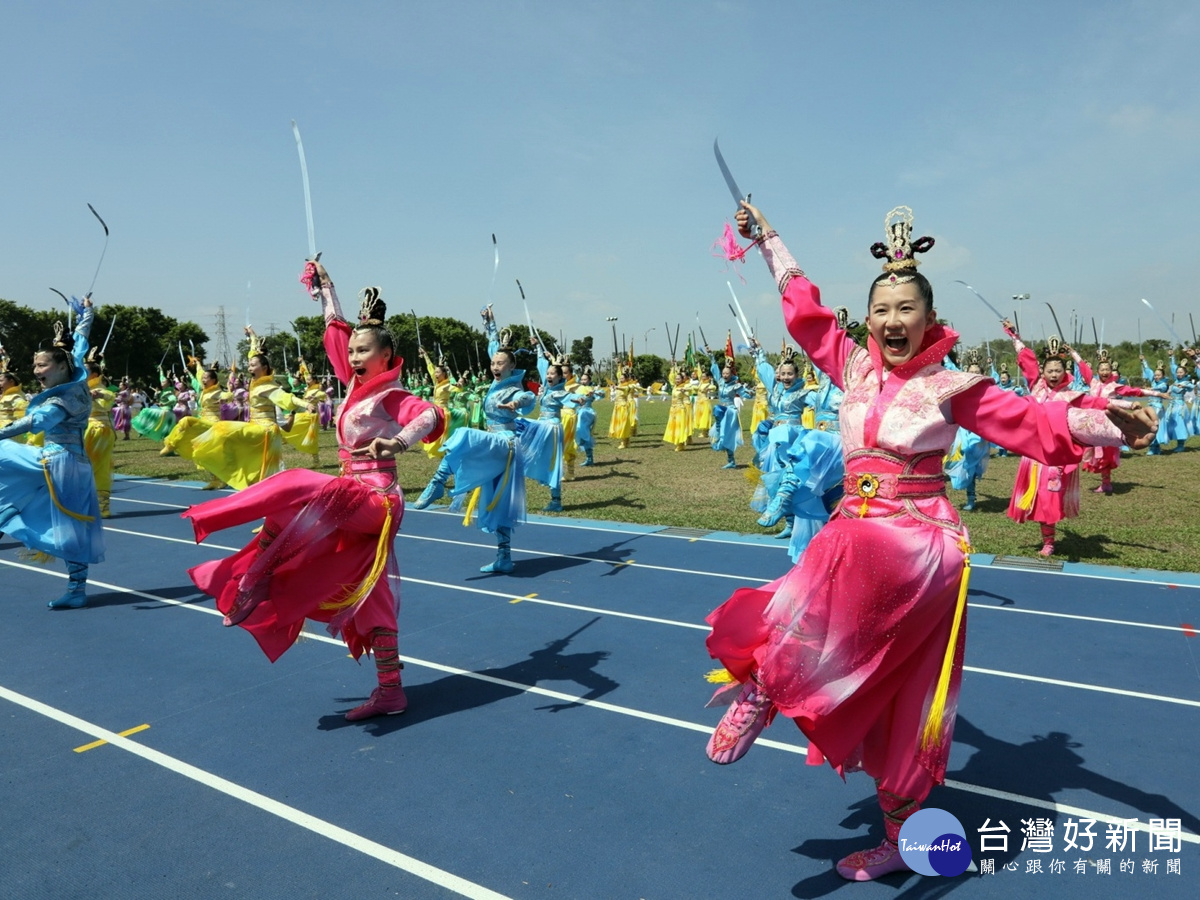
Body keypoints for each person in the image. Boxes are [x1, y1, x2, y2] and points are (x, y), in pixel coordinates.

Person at [704, 203, 1155, 882]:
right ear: (868, 319)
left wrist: (1110, 424)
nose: (892, 320)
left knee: (842, 550)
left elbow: (1031, 421)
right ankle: (899, 838)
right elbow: (805, 313)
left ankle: (769, 682)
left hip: (917, 544)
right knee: (902, 699)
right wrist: (766, 240)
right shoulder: (851, 367)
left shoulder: (952, 387)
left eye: (905, 308)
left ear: (929, 317)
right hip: (858, 536)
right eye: (880, 308)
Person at [184, 263, 444, 720]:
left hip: (377, 499)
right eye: (354, 351)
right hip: (352, 495)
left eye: (366, 351)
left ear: (388, 356)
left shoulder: (392, 395)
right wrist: (326, 288)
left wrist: (398, 440)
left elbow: (431, 415)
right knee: (371, 599)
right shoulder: (354, 389)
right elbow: (335, 330)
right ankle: (390, 690)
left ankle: (256, 572)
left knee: (299, 484)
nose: (356, 356)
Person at [412, 306, 536, 574]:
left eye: (500, 363)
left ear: (512, 366)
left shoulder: (515, 387)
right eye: (493, 363)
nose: (495, 366)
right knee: (496, 502)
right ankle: (504, 557)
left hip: (507, 442)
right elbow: (494, 347)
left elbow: (529, 400)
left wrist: (518, 402)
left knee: (462, 436)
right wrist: (489, 323)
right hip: (496, 445)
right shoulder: (495, 382)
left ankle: (437, 485)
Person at [0, 298, 105, 608]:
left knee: (70, 529)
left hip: (60, 462)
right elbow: (80, 346)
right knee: (59, 520)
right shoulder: (71, 379)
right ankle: (76, 591)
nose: (36, 370)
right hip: (64, 462)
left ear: (61, 366)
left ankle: (76, 590)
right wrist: (86, 316)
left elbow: (38, 421)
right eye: (35, 365)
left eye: (42, 365)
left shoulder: (68, 395)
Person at [1004, 331, 1093, 557]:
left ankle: (1050, 541)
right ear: (1043, 372)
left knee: (1051, 496)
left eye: (1058, 370)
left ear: (1065, 372)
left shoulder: (1071, 395)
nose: (1053, 374)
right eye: (1050, 370)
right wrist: (1014, 336)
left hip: (1058, 455)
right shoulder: (1036, 388)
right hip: (1035, 453)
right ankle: (1048, 540)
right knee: (1039, 496)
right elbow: (1027, 361)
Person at [187, 328, 289, 490]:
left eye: (257, 356)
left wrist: (254, 338)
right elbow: (251, 356)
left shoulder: (266, 373)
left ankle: (277, 477)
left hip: (268, 406)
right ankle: (249, 475)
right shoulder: (254, 370)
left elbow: (254, 356)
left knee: (273, 444)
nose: (251, 363)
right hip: (255, 413)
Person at [161, 358, 233, 489]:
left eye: (207, 378)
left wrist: (225, 399)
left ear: (213, 380)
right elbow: (200, 373)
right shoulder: (202, 390)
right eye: (203, 378)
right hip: (203, 422)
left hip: (213, 425)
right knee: (205, 454)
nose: (204, 380)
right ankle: (217, 480)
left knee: (186, 420)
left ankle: (170, 444)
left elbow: (228, 395)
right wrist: (197, 363)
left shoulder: (217, 392)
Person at [83, 350, 116, 518]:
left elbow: (108, 399)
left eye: (85, 370)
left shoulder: (99, 388)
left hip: (98, 431)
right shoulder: (80, 388)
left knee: (99, 467)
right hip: (82, 430)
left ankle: (103, 506)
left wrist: (97, 395)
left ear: (95, 374)